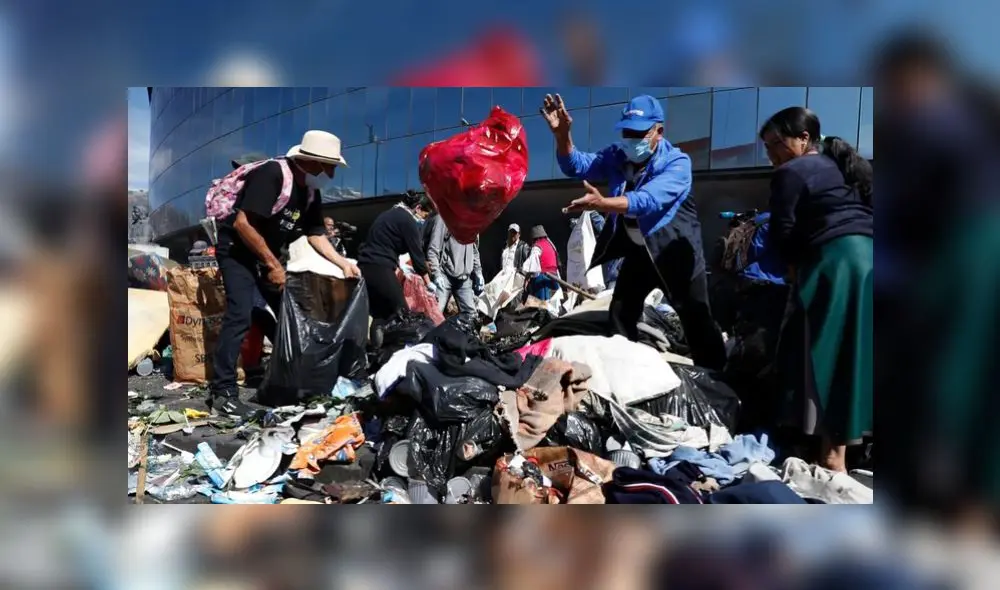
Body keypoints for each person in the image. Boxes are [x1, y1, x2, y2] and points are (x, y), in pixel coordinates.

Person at [543, 93, 726, 370]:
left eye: (638, 133)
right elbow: (576, 165)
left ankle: (716, 376)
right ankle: (623, 370)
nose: (631, 138)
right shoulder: (617, 156)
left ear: (658, 132)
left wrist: (603, 203)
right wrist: (562, 136)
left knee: (696, 319)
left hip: (675, 254)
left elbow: (647, 201)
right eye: (627, 132)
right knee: (621, 311)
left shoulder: (677, 163)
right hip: (640, 253)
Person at [211, 130, 360, 417]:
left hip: (267, 256)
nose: (331, 174)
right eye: (329, 166)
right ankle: (223, 391)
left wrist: (342, 263)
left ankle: (285, 379)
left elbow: (316, 234)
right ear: (313, 161)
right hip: (238, 252)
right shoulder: (272, 174)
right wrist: (273, 266)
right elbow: (243, 224)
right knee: (239, 314)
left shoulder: (310, 192)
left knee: (291, 315)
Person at [758, 106, 874, 472]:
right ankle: (851, 447)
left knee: (827, 355)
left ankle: (831, 457)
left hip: (836, 262)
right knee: (859, 353)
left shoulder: (792, 171)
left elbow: (783, 233)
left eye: (775, 143)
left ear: (803, 138)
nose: (771, 154)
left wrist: (793, 272)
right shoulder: (841, 165)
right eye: (766, 147)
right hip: (870, 258)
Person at [356, 191, 436, 339]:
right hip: (379, 267)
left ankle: (377, 353)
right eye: (425, 215)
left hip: (366, 267)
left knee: (380, 314)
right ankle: (395, 355)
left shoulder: (391, 214)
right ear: (418, 208)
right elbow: (417, 257)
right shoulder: (407, 220)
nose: (424, 220)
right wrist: (429, 283)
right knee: (402, 314)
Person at [427, 214, 485, 318]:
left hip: (464, 279)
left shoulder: (473, 222)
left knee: (471, 316)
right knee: (435, 315)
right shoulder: (445, 218)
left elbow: (474, 251)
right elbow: (433, 250)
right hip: (445, 276)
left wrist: (478, 272)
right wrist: (436, 274)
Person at [521, 224, 562, 302]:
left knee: (543, 303)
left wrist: (527, 278)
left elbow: (532, 264)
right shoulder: (551, 245)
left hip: (543, 278)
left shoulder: (537, 247)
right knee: (553, 302)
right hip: (555, 276)